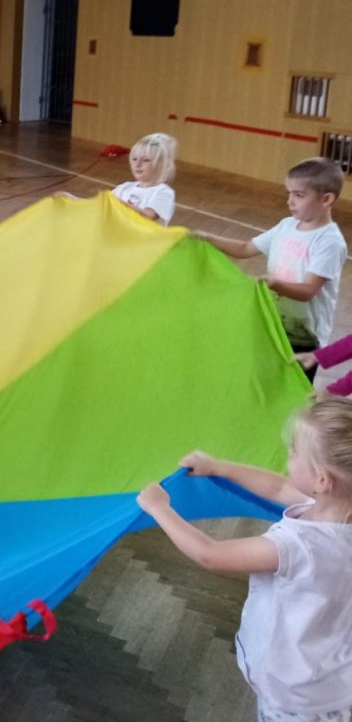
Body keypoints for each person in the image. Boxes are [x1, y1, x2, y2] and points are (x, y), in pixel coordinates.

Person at [136, 398, 352, 721]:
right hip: (332, 677)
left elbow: (210, 554)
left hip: (295, 694)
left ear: (322, 480)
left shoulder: (297, 546)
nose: (288, 456)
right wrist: (218, 467)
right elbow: (279, 487)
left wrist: (159, 509)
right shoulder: (334, 509)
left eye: (294, 452)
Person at [193, 158, 346, 374]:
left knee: (292, 386)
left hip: (304, 338)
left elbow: (308, 291)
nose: (290, 202)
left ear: (326, 199)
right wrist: (207, 238)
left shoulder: (329, 241)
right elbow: (246, 248)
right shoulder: (286, 226)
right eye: (288, 193)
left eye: (299, 195)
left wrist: (274, 283)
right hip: (273, 322)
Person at [109, 133, 178, 225]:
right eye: (134, 159)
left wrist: (117, 203)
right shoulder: (124, 187)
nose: (137, 164)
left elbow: (147, 217)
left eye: (145, 160)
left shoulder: (163, 192)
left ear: (161, 164)